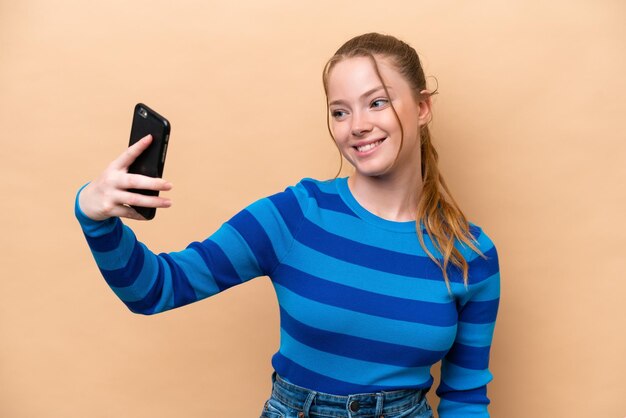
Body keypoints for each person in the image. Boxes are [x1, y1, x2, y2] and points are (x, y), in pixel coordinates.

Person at [75, 33, 500, 418]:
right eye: (339, 111)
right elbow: (156, 289)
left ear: (422, 107)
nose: (358, 126)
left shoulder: (472, 254)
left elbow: (465, 398)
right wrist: (95, 218)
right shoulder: (296, 215)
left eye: (378, 102)